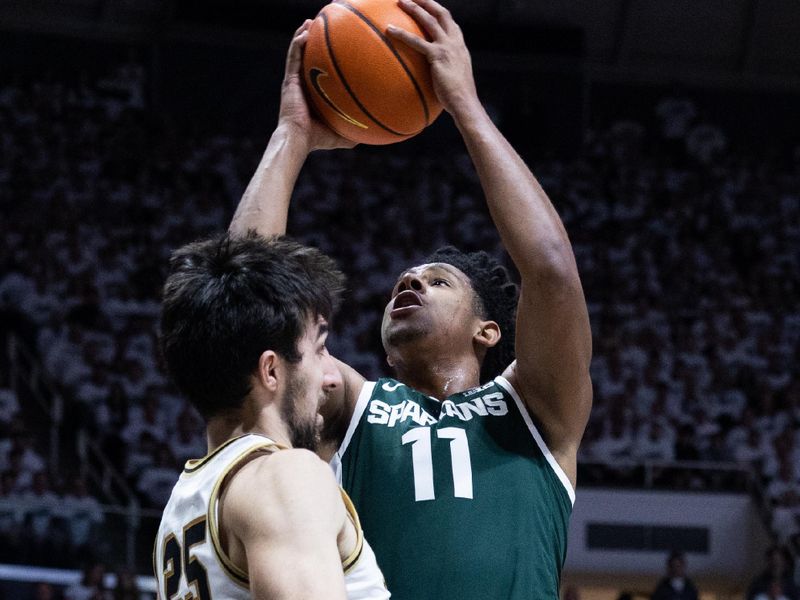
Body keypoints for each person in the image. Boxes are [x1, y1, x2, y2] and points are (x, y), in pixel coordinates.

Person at [229, 1, 592, 598]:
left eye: (438, 281)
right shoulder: (349, 404)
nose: (411, 283)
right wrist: (291, 136)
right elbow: (246, 305)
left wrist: (467, 108)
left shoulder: (538, 408)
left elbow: (551, 269)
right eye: (405, 280)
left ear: (488, 331)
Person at [154, 234, 389, 599]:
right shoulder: (285, 476)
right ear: (271, 371)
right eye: (320, 349)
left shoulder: (183, 506)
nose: (330, 377)